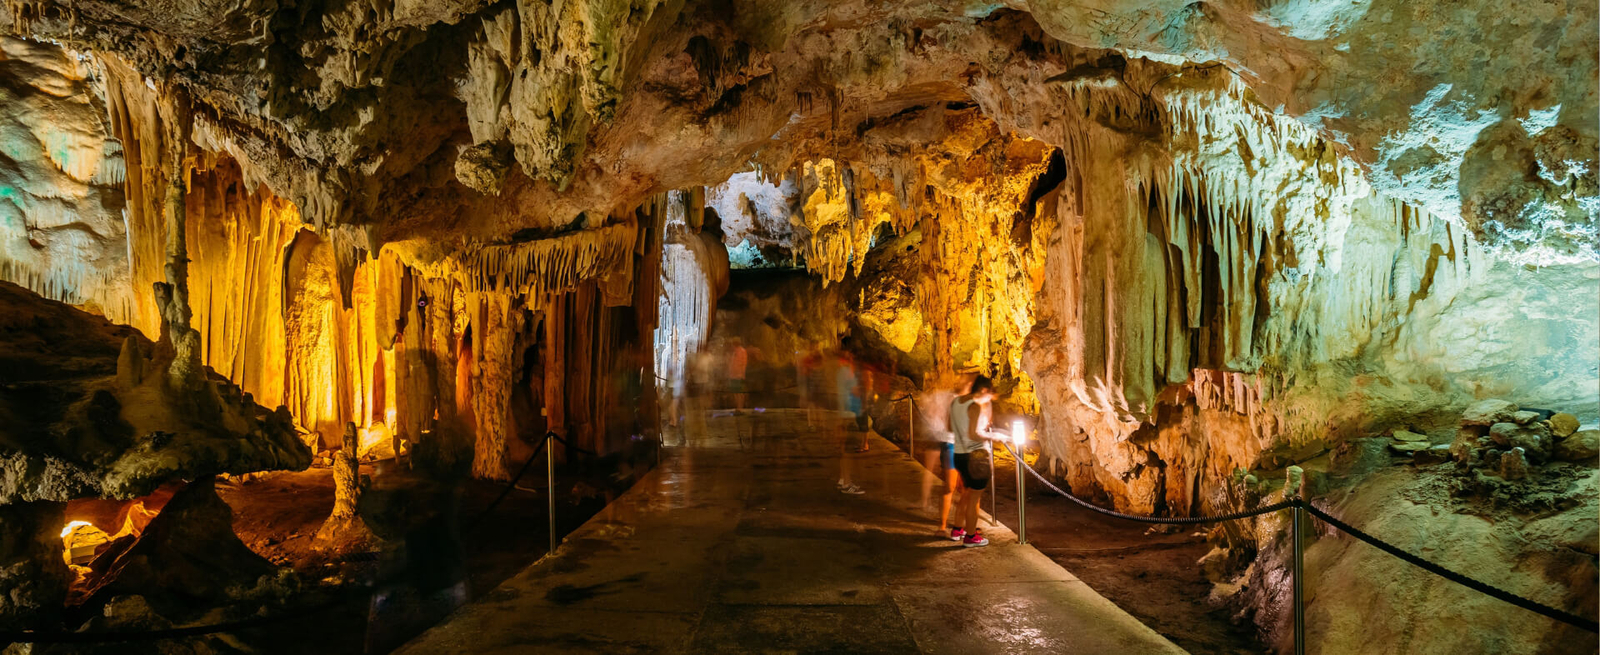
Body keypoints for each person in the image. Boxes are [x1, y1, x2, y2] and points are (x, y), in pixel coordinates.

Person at [948, 375, 1007, 547]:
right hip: (975, 456)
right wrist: (994, 436)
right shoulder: (973, 407)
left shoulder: (955, 402)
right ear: (983, 390)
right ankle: (971, 536)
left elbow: (950, 428)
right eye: (989, 394)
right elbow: (974, 434)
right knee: (974, 498)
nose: (989, 398)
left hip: (958, 454)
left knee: (966, 494)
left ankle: (957, 529)